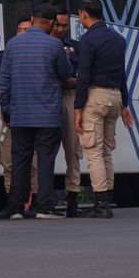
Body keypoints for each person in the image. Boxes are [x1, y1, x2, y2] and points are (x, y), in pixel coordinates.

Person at [0, 3, 72, 220]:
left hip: (19, 115)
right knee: (46, 160)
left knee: (20, 160)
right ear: (51, 23)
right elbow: (65, 74)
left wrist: (6, 107)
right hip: (48, 116)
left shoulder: (12, 45)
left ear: (32, 19)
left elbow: (3, 82)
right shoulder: (55, 45)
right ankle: (44, 207)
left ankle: (16, 207)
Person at [74, 0, 133, 218]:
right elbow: (122, 74)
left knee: (93, 151)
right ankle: (107, 199)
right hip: (115, 97)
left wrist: (78, 108)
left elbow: (83, 76)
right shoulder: (118, 39)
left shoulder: (87, 40)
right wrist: (125, 104)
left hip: (96, 96)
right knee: (106, 151)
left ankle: (101, 203)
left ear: (84, 14)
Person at [0, 15, 37, 200]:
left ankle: (33, 201)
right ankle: (13, 201)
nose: (22, 33)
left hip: (34, 118)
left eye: (26, 30)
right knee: (8, 161)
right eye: (19, 30)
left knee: (33, 164)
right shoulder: (5, 54)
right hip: (10, 117)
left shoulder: (40, 53)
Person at [52, 11, 82, 217]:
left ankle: (72, 199)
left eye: (65, 25)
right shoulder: (45, 44)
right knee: (46, 152)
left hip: (70, 97)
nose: (61, 29)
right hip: (49, 98)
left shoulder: (75, 47)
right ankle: (45, 199)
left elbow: (78, 74)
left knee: (73, 151)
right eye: (57, 25)